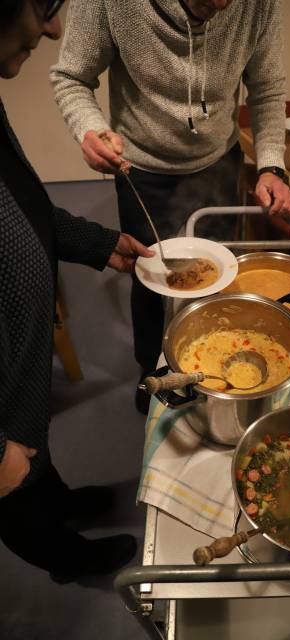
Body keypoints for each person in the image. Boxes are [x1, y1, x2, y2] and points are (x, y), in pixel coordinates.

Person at [50, 0, 290, 413]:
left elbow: (267, 89)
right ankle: (155, 379)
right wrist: (90, 130)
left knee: (219, 280)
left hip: (220, 162)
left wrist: (272, 165)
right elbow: (71, 76)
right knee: (151, 282)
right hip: (142, 167)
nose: (217, 11)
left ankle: (212, 374)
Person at [0, 0, 155, 584]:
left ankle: (58, 503)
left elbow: (19, 206)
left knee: (36, 451)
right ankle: (66, 560)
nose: (55, 28)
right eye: (41, 7)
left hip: (19, 367)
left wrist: (93, 241)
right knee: (15, 481)